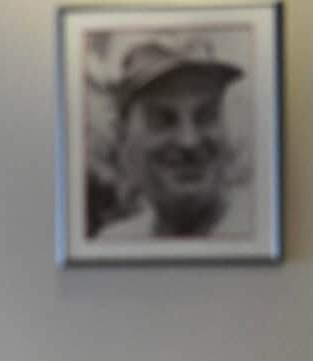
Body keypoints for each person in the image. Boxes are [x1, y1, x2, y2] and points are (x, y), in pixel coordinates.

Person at [97, 37, 251, 240]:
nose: (189, 141)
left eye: (205, 116)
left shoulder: (255, 229)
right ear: (122, 135)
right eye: (164, 119)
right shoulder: (114, 244)